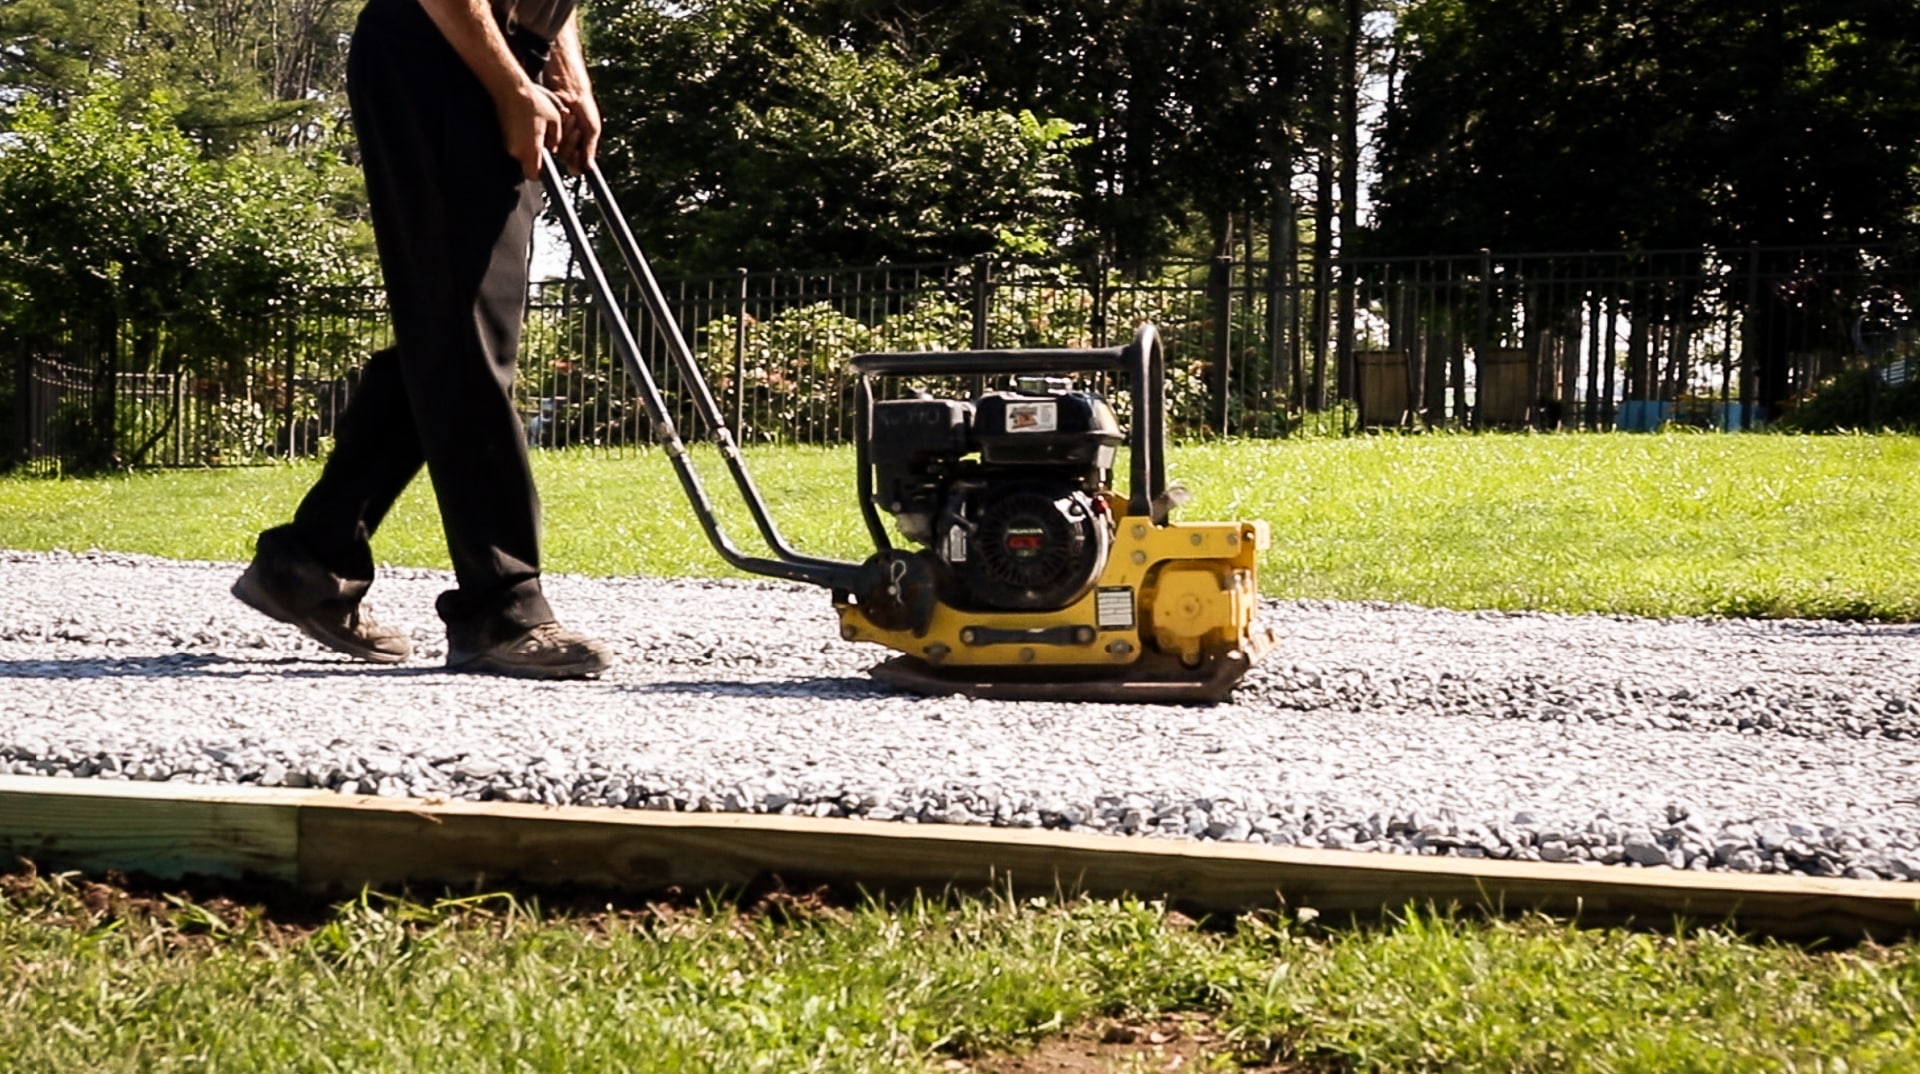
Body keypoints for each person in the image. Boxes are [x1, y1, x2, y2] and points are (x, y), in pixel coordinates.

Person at [232, 0, 611, 679]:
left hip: (509, 53)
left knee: (454, 332)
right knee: (467, 334)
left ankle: (309, 560)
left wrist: (566, 74)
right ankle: (503, 606)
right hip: (442, 48)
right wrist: (511, 86)